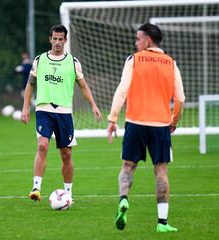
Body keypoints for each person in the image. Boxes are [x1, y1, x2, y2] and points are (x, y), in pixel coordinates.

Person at [107, 23, 185, 232]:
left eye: (138, 38)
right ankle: (162, 222)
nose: (136, 42)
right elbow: (180, 98)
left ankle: (123, 199)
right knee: (160, 170)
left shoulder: (134, 59)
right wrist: (174, 120)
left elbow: (122, 90)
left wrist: (113, 118)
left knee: (127, 167)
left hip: (135, 123)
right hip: (160, 125)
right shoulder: (171, 63)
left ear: (148, 40)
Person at [21, 24, 102, 203]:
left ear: (65, 40)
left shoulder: (73, 62)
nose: (57, 42)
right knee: (42, 145)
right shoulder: (39, 60)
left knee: (66, 154)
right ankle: (36, 188)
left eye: (61, 39)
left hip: (64, 112)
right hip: (44, 109)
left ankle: (68, 193)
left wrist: (94, 105)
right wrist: (26, 107)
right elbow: (30, 84)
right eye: (54, 39)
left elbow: (83, 86)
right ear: (50, 39)